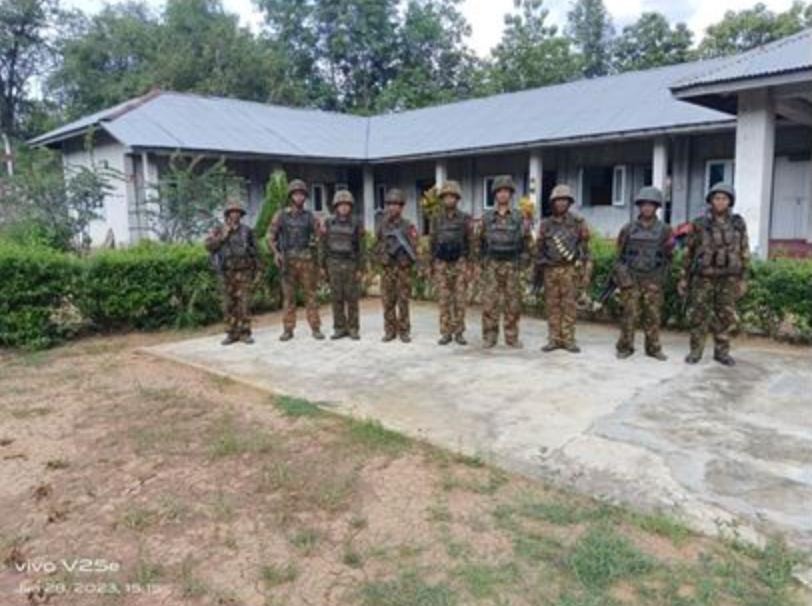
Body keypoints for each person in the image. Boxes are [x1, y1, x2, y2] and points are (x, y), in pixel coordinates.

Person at [678, 182, 750, 366]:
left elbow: (744, 251)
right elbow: (688, 252)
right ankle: (695, 351)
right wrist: (683, 278)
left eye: (724, 198)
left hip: (728, 277)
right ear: (711, 201)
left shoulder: (738, 223)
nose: (720, 202)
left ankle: (722, 353)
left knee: (725, 316)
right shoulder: (699, 224)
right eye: (716, 198)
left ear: (730, 201)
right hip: (703, 278)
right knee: (699, 315)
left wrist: (743, 279)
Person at [614, 186, 674, 360]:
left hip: (653, 279)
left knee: (653, 315)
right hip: (632, 279)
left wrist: (660, 280)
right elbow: (618, 258)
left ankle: (653, 348)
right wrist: (624, 279)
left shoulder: (665, 230)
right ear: (639, 206)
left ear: (657, 207)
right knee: (629, 314)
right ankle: (625, 347)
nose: (647, 208)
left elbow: (669, 259)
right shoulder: (628, 229)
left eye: (651, 205)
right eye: (644, 204)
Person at [479, 175, 532, 348]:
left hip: (512, 265)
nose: (503, 194)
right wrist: (482, 263)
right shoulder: (487, 217)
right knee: (490, 303)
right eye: (499, 191)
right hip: (492, 265)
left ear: (510, 194)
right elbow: (479, 242)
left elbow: (527, 242)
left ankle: (511, 337)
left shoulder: (518, 217)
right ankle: (489, 336)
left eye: (506, 191)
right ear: (495, 194)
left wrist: (523, 262)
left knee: (513, 303)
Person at [536, 184, 591, 353]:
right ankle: (553, 339)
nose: (561, 203)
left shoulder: (578, 223)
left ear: (569, 203)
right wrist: (539, 269)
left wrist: (585, 272)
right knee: (552, 305)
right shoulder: (546, 224)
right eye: (558, 200)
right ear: (553, 203)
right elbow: (539, 249)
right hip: (550, 270)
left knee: (569, 306)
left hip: (570, 270)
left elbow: (585, 250)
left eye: (564, 200)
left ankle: (568, 340)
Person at [268, 179, 324, 341]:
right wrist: (276, 253)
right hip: (288, 260)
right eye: (296, 194)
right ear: (290, 196)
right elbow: (270, 236)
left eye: (301, 194)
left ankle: (315, 328)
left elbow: (319, 237)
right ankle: (288, 329)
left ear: (305, 197)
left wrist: (320, 230)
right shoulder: (281, 215)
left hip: (306, 261)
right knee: (289, 297)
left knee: (311, 296)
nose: (299, 197)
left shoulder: (309, 216)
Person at [204, 200, 259, 346]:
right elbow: (208, 246)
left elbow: (256, 251)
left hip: (244, 272)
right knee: (228, 304)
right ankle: (231, 332)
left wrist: (256, 270)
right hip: (226, 272)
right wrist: (223, 236)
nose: (235, 214)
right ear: (227, 214)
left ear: (241, 215)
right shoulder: (219, 229)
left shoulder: (247, 231)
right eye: (232, 212)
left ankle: (245, 332)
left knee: (244, 303)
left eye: (237, 212)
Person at [429, 180, 474, 345]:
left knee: (460, 300)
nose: (449, 199)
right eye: (446, 196)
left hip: (459, 262)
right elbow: (432, 241)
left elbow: (471, 242)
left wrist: (470, 265)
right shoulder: (436, 219)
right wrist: (430, 264)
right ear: (442, 199)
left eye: (452, 196)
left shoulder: (464, 218)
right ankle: (446, 332)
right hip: (441, 263)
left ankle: (459, 332)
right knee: (444, 300)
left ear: (457, 198)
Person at [321, 189, 365, 340]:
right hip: (333, 263)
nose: (344, 207)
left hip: (350, 263)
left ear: (350, 206)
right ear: (336, 206)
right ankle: (339, 328)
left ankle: (353, 328)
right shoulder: (328, 223)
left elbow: (361, 247)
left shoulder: (356, 223)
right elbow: (323, 245)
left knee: (352, 298)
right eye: (341, 204)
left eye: (347, 204)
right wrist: (322, 266)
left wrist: (360, 268)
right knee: (336, 297)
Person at [375, 188, 418, 343]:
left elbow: (414, 246)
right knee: (388, 301)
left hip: (402, 269)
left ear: (401, 207)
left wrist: (407, 259)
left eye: (396, 204)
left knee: (403, 301)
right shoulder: (382, 225)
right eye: (390, 204)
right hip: (387, 269)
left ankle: (404, 331)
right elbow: (376, 245)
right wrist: (383, 254)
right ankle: (389, 331)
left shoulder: (408, 226)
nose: (393, 207)